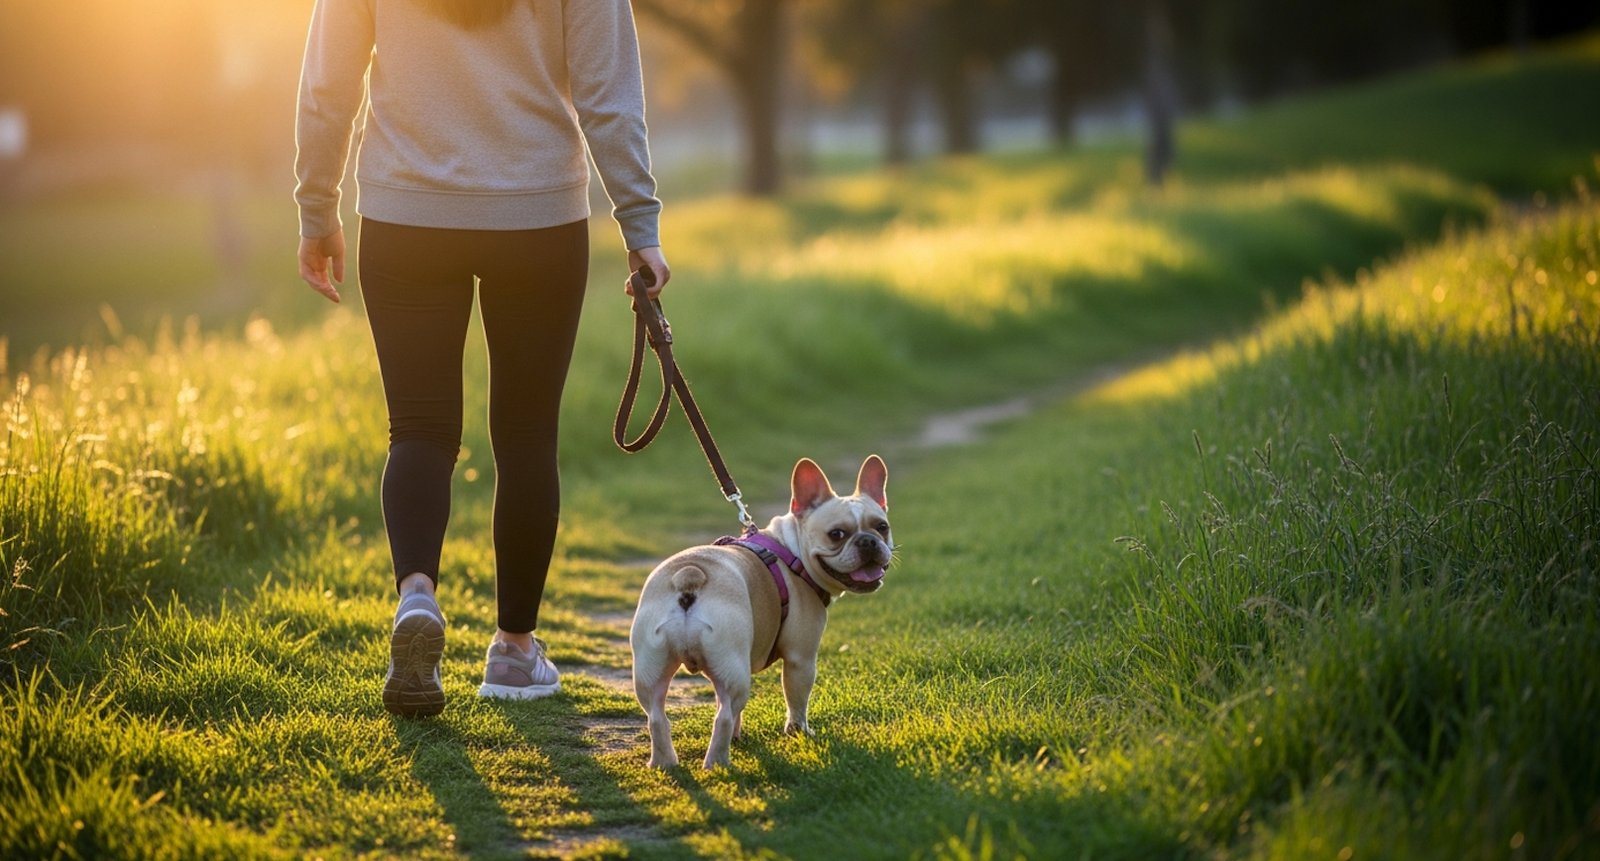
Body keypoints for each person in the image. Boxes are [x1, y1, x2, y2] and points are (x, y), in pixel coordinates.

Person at [294, 0, 669, 717]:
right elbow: (608, 99)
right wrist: (639, 223)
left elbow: (327, 83)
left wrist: (317, 208)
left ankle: (417, 597)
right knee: (526, 435)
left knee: (420, 428)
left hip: (406, 217)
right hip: (537, 218)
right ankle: (515, 650)